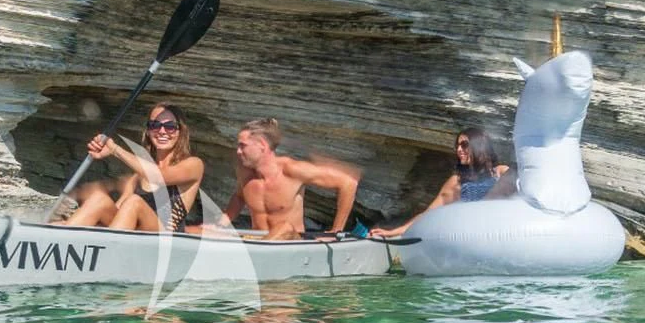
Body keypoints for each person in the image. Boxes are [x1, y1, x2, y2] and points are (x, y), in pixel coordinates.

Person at [60, 103, 205, 232]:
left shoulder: (194, 164)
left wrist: (115, 150)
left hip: (164, 242)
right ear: (148, 131)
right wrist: (70, 223)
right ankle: (60, 239)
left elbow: (160, 176)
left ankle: (107, 253)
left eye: (170, 126)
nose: (162, 131)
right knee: (99, 199)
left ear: (181, 132)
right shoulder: (137, 177)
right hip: (131, 236)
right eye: (155, 125)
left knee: (134, 203)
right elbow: (118, 214)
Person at [214, 118, 360, 241]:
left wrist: (335, 231)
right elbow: (240, 197)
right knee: (199, 230)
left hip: (291, 242)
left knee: (284, 227)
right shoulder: (244, 171)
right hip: (256, 240)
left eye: (242, 145)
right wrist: (220, 225)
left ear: (262, 146)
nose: (238, 151)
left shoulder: (292, 170)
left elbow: (348, 182)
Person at [369, 126, 513, 239]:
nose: (459, 150)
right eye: (457, 146)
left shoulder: (501, 172)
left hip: (503, 231)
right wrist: (395, 232)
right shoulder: (457, 182)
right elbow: (428, 214)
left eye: (464, 145)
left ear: (479, 145)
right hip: (475, 235)